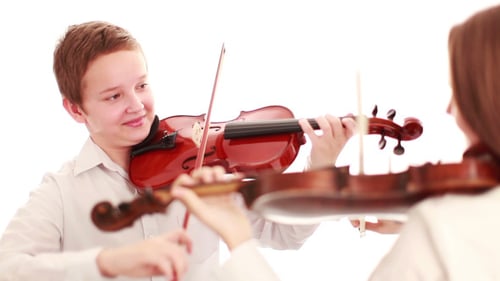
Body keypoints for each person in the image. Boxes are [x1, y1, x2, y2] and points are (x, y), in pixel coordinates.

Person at [0, 21, 356, 280]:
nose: (137, 105)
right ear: (76, 109)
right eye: (114, 96)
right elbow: (8, 267)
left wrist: (321, 164)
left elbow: (285, 235)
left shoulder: (201, 169)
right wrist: (109, 262)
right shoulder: (62, 192)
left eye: (141, 85)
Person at [170, 4, 500, 281]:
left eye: (458, 90)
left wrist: (239, 241)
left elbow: (284, 234)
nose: (449, 108)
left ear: (486, 97)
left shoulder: (440, 226)